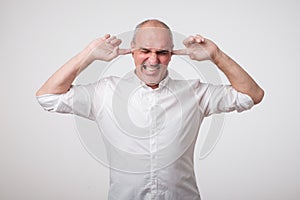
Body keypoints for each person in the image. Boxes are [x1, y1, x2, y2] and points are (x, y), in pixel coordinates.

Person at [36, 19, 264, 200]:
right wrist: (88, 55)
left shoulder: (195, 93)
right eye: (145, 50)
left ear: (172, 54)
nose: (153, 60)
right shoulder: (104, 92)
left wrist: (217, 56)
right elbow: (48, 97)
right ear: (131, 51)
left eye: (162, 52)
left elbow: (252, 95)